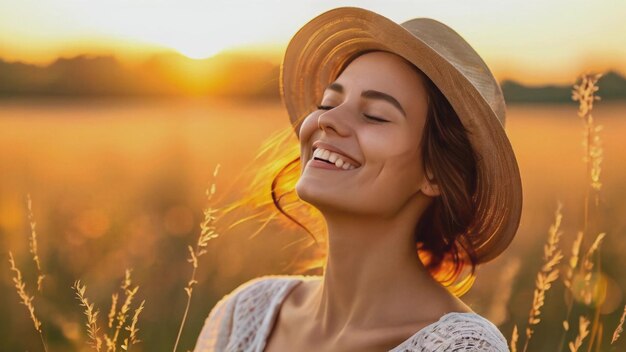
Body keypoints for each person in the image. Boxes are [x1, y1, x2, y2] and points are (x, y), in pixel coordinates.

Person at [193, 6, 522, 352]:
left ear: (435, 174)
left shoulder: (461, 347)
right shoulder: (247, 312)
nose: (327, 120)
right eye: (327, 103)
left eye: (375, 116)